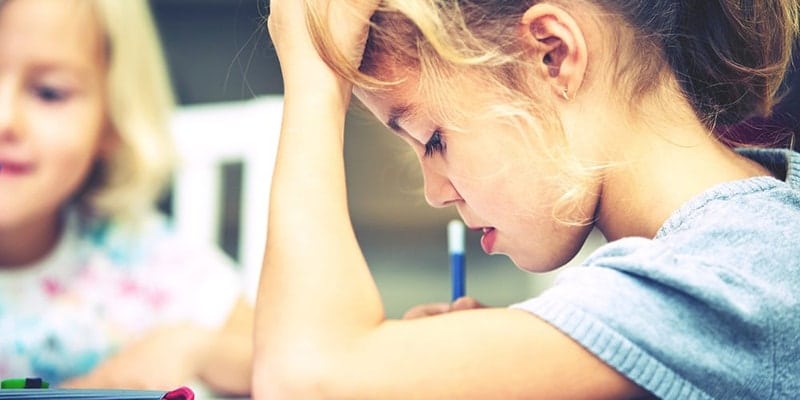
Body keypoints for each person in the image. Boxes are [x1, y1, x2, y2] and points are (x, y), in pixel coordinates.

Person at [256, 0, 800, 398]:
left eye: (434, 140)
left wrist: (314, 80)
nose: (435, 192)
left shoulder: (735, 276)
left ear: (551, 55)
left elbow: (305, 378)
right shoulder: (746, 246)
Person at [0, 0, 252, 395]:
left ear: (112, 120)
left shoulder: (141, 259)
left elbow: (289, 363)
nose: (5, 119)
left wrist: (198, 349)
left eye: (49, 93)